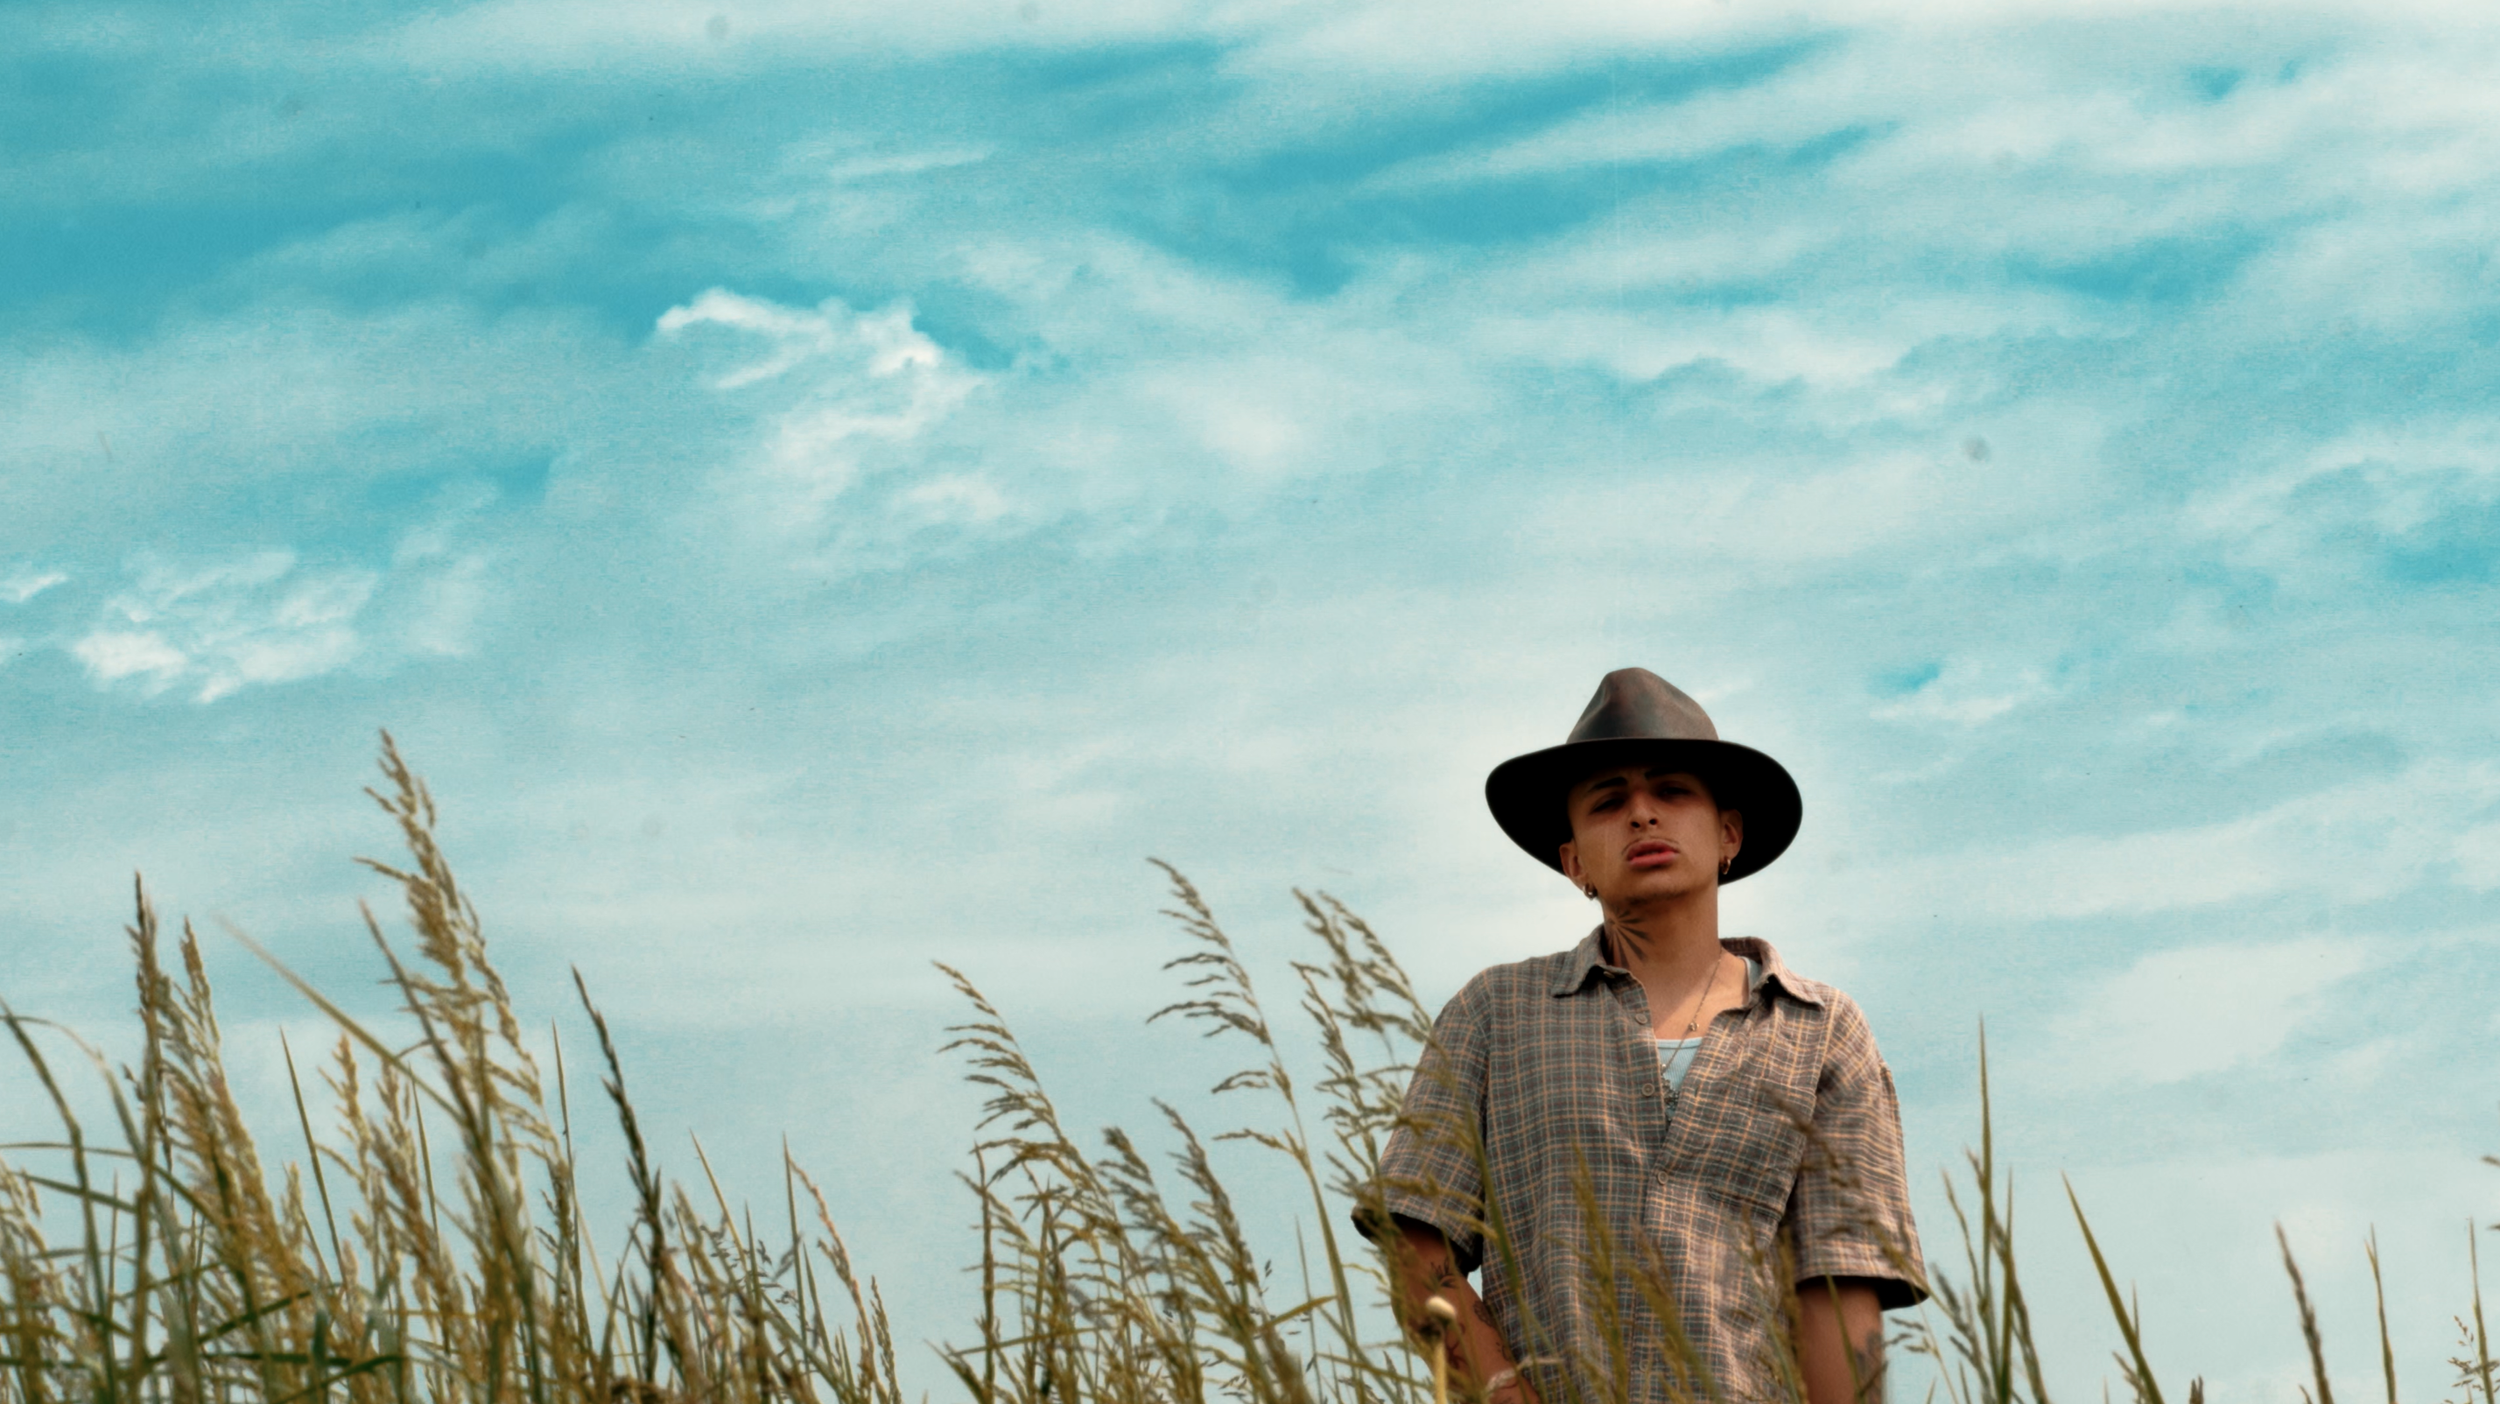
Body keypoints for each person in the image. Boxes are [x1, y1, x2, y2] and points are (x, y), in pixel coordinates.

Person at [1362, 668, 1926, 1404]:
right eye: (1608, 801)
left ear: (1728, 833)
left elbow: (1839, 1291)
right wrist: (1501, 1393)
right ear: (1574, 863)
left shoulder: (1820, 1031)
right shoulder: (1493, 1014)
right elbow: (1416, 1247)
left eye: (1672, 791)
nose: (1641, 815)